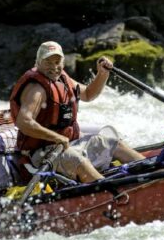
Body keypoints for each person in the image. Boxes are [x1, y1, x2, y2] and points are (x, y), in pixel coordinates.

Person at [10, 41, 145, 183]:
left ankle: (158, 173)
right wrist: (56, 138)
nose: (54, 67)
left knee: (115, 144)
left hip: (68, 144)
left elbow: (88, 94)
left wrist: (102, 74)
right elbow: (23, 122)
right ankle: (114, 194)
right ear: (38, 63)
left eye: (57, 62)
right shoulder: (36, 89)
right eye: (48, 62)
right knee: (79, 161)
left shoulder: (62, 79)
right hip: (41, 154)